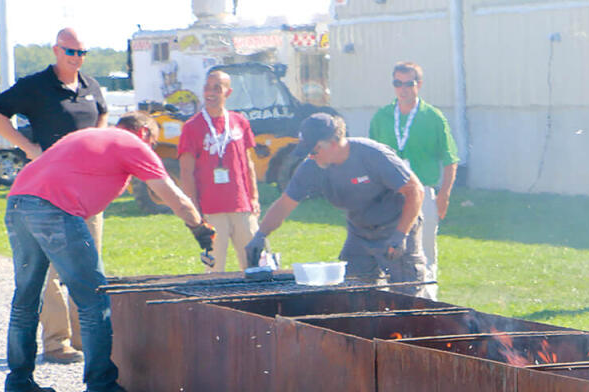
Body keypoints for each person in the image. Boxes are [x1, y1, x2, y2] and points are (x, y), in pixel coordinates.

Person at [2, 112, 215, 392]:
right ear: (144, 134)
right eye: (151, 144)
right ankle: (101, 386)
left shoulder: (87, 135)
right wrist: (200, 229)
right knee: (94, 299)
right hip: (55, 209)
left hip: (18, 203)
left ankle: (18, 384)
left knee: (26, 298)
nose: (149, 152)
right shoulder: (133, 143)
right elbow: (171, 194)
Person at [0, 28, 109, 364]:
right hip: (51, 190)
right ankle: (56, 341)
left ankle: (87, 336)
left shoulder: (90, 86)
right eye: (71, 52)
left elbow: (102, 113)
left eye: (82, 53)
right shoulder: (36, 86)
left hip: (87, 189)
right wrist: (27, 147)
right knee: (54, 266)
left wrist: (96, 145)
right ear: (56, 51)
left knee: (89, 261)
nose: (77, 59)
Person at [246, 113, 427, 294]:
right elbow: (285, 204)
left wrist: (400, 235)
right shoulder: (311, 167)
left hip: (396, 224)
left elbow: (415, 190)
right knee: (355, 294)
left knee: (407, 294)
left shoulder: (373, 155)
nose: (311, 156)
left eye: (314, 151)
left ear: (332, 143)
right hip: (360, 230)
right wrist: (260, 235)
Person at [367, 61, 457, 299]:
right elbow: (370, 158)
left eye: (409, 83)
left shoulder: (433, 117)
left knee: (425, 250)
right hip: (389, 194)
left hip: (423, 192)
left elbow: (450, 159)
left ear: (419, 85)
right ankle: (390, 298)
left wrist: (444, 195)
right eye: (398, 83)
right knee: (387, 246)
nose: (403, 89)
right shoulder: (382, 116)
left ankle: (428, 302)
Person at [178, 69, 261, 272]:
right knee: (214, 271)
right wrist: (194, 209)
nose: (211, 93)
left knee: (255, 265)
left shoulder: (239, 121)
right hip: (210, 209)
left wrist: (254, 197)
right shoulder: (192, 126)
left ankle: (257, 301)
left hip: (241, 206)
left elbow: (248, 163)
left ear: (228, 92)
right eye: (207, 88)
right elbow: (186, 171)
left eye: (217, 88)